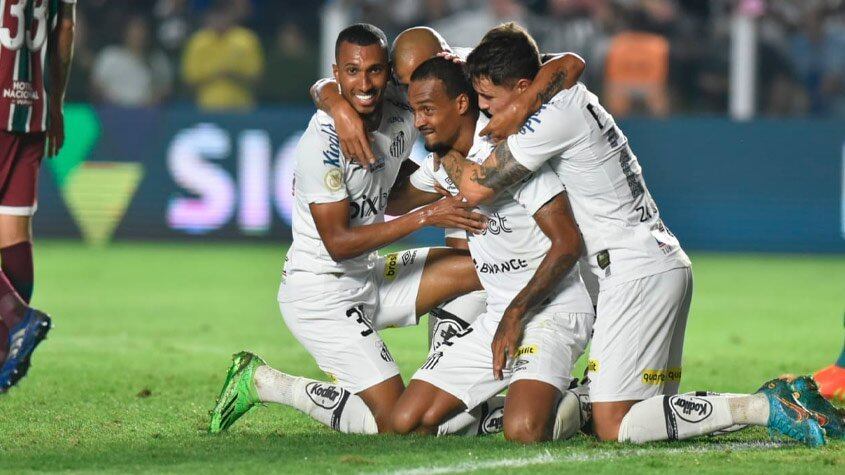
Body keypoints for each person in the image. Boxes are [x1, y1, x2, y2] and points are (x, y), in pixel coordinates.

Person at [434, 22, 837, 446]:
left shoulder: (549, 120)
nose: (483, 110)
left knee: (615, 426)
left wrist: (443, 148)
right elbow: (566, 63)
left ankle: (764, 406)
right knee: (644, 417)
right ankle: (793, 399)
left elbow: (476, 188)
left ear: (521, 86)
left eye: (489, 99)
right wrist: (517, 104)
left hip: (632, 272)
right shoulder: (562, 95)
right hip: (654, 263)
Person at [208, 24, 511, 437]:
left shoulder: (407, 98)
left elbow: (392, 193)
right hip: (322, 294)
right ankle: (264, 383)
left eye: (374, 71)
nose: (365, 84)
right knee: (398, 426)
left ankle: (451, 374)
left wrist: (444, 181)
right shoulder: (324, 144)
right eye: (352, 72)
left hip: (369, 275)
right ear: (338, 73)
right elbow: (338, 244)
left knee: (485, 270)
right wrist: (428, 215)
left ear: (388, 72)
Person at [309, 25, 586, 349]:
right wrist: (337, 106)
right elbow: (324, 86)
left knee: (556, 264)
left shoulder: (475, 67)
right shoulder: (396, 90)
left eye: (426, 75)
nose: (416, 91)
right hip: (465, 191)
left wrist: (520, 106)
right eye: (406, 83)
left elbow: (570, 63)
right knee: (466, 259)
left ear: (447, 59)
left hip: (524, 194)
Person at [387, 57, 594, 443]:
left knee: (524, 431)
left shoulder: (509, 154)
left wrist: (515, 315)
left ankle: (585, 401)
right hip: (498, 316)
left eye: (427, 110)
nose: (419, 122)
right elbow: (395, 200)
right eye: (415, 111)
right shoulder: (442, 160)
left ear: (461, 104)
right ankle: (532, 397)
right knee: (406, 421)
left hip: (551, 310)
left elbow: (568, 243)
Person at [0, 0, 76, 392]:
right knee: (12, 233)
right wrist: (56, 103)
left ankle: (17, 319)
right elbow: (65, 29)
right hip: (32, 108)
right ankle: (5, 353)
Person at [181, 3, 264, 110]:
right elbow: (189, 81)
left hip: (242, 107)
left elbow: (257, 78)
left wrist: (232, 74)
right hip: (206, 107)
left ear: (232, 17)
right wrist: (215, 74)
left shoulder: (247, 40)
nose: (220, 21)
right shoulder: (197, 42)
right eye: (217, 17)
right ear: (208, 18)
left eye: (224, 16)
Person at [91, 16, 173, 107]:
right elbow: (96, 85)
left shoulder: (157, 60)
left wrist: (151, 102)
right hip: (112, 110)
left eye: (142, 30)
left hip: (147, 111)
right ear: (125, 32)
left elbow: (166, 88)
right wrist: (111, 101)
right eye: (134, 30)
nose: (138, 35)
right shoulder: (110, 56)